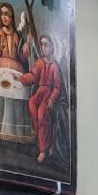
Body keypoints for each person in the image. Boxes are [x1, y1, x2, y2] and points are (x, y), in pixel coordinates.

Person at [20, 34, 66, 165]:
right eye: (42, 45)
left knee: (42, 114)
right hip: (39, 92)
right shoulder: (40, 62)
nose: (44, 47)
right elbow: (33, 76)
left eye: (46, 44)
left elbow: (57, 87)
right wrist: (22, 78)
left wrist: (52, 99)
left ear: (52, 47)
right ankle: (43, 141)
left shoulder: (54, 66)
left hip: (48, 94)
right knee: (31, 103)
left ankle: (43, 150)